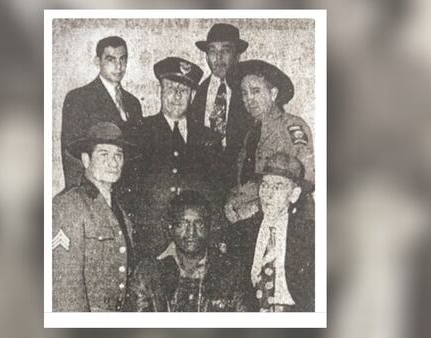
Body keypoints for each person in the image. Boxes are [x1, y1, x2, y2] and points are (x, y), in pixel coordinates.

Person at [130, 57, 223, 256]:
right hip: (151, 242)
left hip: (196, 246)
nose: (177, 96)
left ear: (192, 95)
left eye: (184, 90)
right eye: (171, 88)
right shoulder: (139, 132)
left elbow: (217, 195)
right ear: (160, 91)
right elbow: (127, 192)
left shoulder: (209, 139)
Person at [52, 122, 136, 312]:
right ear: (86, 160)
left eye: (118, 155)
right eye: (104, 154)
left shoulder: (119, 210)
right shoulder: (68, 206)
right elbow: (66, 291)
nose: (113, 163)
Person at [222, 151, 315, 312]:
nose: (268, 194)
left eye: (278, 186)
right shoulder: (241, 231)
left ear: (294, 194)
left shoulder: (310, 235)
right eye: (264, 185)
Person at [224, 59, 315, 223]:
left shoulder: (292, 127)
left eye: (255, 91)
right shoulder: (250, 134)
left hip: (289, 220)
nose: (248, 99)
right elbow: (246, 181)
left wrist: (257, 207)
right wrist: (231, 201)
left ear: (273, 94)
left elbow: (307, 180)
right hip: (253, 220)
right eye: (244, 93)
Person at [126, 190, 248, 312]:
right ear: (170, 227)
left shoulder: (232, 272)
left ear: (209, 226)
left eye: (199, 224)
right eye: (183, 224)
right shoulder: (148, 273)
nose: (191, 232)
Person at [61, 36, 143, 190]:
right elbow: (71, 156)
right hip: (95, 195)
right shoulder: (79, 98)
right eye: (111, 59)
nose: (119, 66)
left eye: (123, 59)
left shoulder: (134, 103)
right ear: (98, 62)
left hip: (128, 198)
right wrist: (82, 200)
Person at [190, 23, 253, 189]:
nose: (218, 58)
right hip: (204, 181)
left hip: (239, 182)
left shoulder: (246, 92)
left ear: (237, 55)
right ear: (206, 56)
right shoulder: (197, 92)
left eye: (225, 50)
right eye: (212, 51)